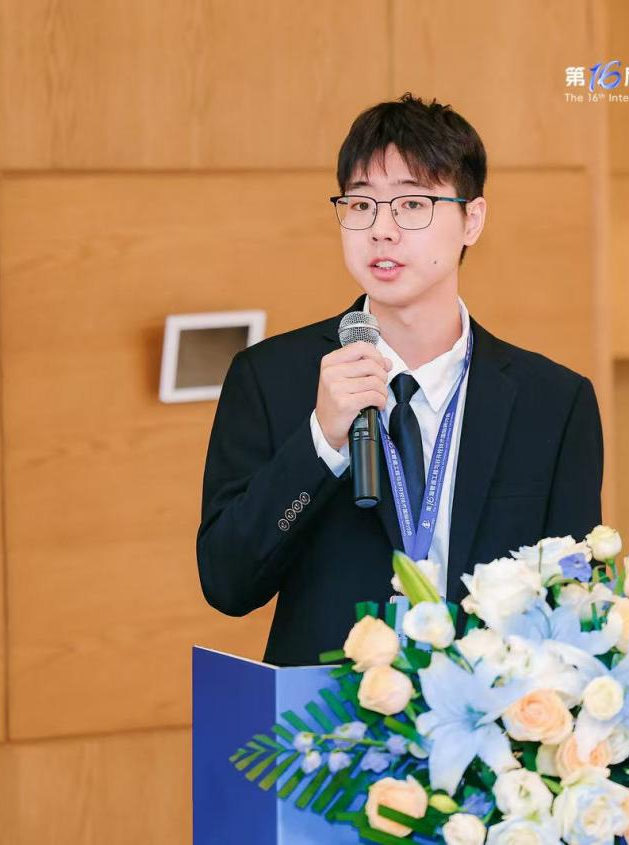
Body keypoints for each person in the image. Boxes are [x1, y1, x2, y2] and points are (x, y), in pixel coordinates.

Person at [197, 93, 603, 667]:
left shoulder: (553, 402)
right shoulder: (270, 377)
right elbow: (227, 581)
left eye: (413, 204)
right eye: (361, 204)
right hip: (328, 717)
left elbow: (573, 604)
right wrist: (321, 443)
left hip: (489, 711)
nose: (381, 230)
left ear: (472, 220)